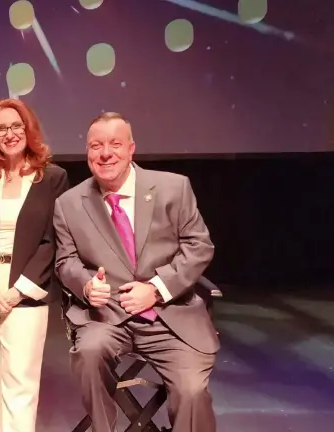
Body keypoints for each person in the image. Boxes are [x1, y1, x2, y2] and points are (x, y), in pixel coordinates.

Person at [53, 112, 218, 432]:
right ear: (87, 152)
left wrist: (156, 289)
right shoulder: (68, 204)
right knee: (88, 354)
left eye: (115, 144)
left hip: (170, 317)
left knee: (191, 391)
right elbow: (65, 261)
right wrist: (86, 285)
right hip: (107, 318)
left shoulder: (173, 188)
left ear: (131, 149)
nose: (105, 153)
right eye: (96, 146)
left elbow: (199, 247)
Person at [0, 99, 69, 432]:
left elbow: (52, 240)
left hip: (26, 296)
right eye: (2, 128)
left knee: (20, 386)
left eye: (16, 125)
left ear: (28, 128)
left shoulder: (53, 178)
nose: (10, 134)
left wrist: (18, 291)